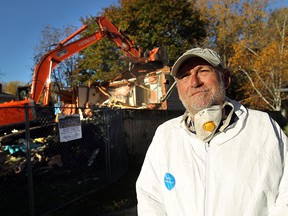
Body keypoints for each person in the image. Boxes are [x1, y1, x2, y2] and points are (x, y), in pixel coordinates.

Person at [136, 47, 288, 216]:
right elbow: (150, 198)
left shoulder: (263, 128)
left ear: (225, 78)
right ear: (178, 90)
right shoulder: (165, 135)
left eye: (203, 71)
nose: (194, 82)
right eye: (185, 76)